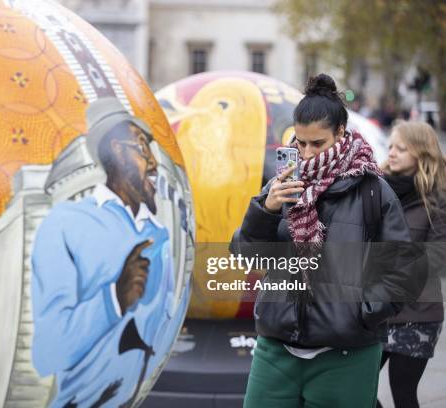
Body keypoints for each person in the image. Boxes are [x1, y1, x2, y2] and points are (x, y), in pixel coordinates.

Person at [230, 73, 425, 408]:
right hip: (276, 350)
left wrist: (360, 313)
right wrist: (266, 209)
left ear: (340, 133)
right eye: (300, 142)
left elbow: (405, 271)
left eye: (317, 144)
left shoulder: (373, 191)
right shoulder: (280, 187)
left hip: (346, 356)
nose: (306, 153)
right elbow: (246, 257)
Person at [30, 98, 187, 408]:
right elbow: (47, 352)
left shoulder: (160, 234)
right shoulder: (65, 224)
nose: (153, 164)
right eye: (143, 148)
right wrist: (114, 299)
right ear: (117, 149)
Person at [377, 121, 445, 408]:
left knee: (403, 394)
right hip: (375, 312)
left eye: (401, 148)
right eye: (391, 146)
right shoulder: (376, 190)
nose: (392, 153)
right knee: (355, 392)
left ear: (421, 154)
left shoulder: (437, 202)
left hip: (417, 315)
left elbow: (437, 259)